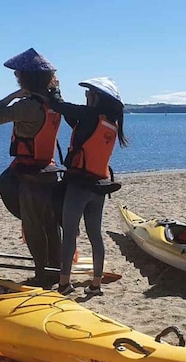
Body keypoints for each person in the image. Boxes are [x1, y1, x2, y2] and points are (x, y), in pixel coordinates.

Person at [0, 48, 64, 289]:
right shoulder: (54, 102)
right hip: (49, 172)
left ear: (25, 79)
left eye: (18, 76)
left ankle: (42, 275)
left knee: (34, 228)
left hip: (29, 174)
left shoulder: (28, 106)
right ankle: (56, 271)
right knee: (51, 226)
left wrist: (13, 95)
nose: (16, 77)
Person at [44, 77, 129, 296]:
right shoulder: (110, 123)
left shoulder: (91, 116)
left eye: (87, 94)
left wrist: (54, 88)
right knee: (95, 236)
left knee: (70, 234)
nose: (85, 98)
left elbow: (59, 106)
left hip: (79, 186)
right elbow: (74, 120)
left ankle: (64, 283)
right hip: (99, 187)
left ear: (96, 97)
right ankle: (96, 284)